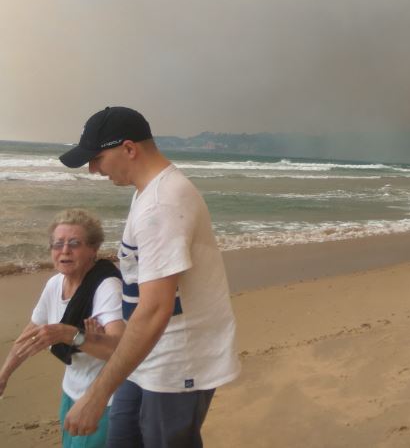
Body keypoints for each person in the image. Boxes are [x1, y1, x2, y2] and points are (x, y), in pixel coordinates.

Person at [58, 106, 240, 447]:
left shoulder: (161, 206)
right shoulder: (147, 193)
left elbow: (156, 309)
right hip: (145, 354)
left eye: (97, 158)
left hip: (175, 362)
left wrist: (97, 396)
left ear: (129, 149)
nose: (93, 170)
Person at [0, 209, 125, 448]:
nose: (64, 250)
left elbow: (121, 349)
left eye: (74, 243)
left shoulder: (107, 286)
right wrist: (4, 375)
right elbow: (30, 335)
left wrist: (73, 336)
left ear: (93, 249)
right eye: (58, 244)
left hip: (105, 398)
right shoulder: (55, 283)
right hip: (71, 389)